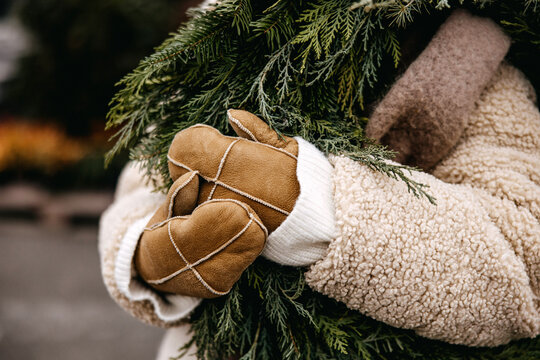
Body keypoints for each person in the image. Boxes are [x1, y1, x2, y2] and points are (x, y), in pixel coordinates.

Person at [99, 9, 540, 359]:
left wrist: (306, 203)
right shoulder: (226, 30)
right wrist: (144, 255)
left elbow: (522, 258)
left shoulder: (471, 59)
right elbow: (140, 183)